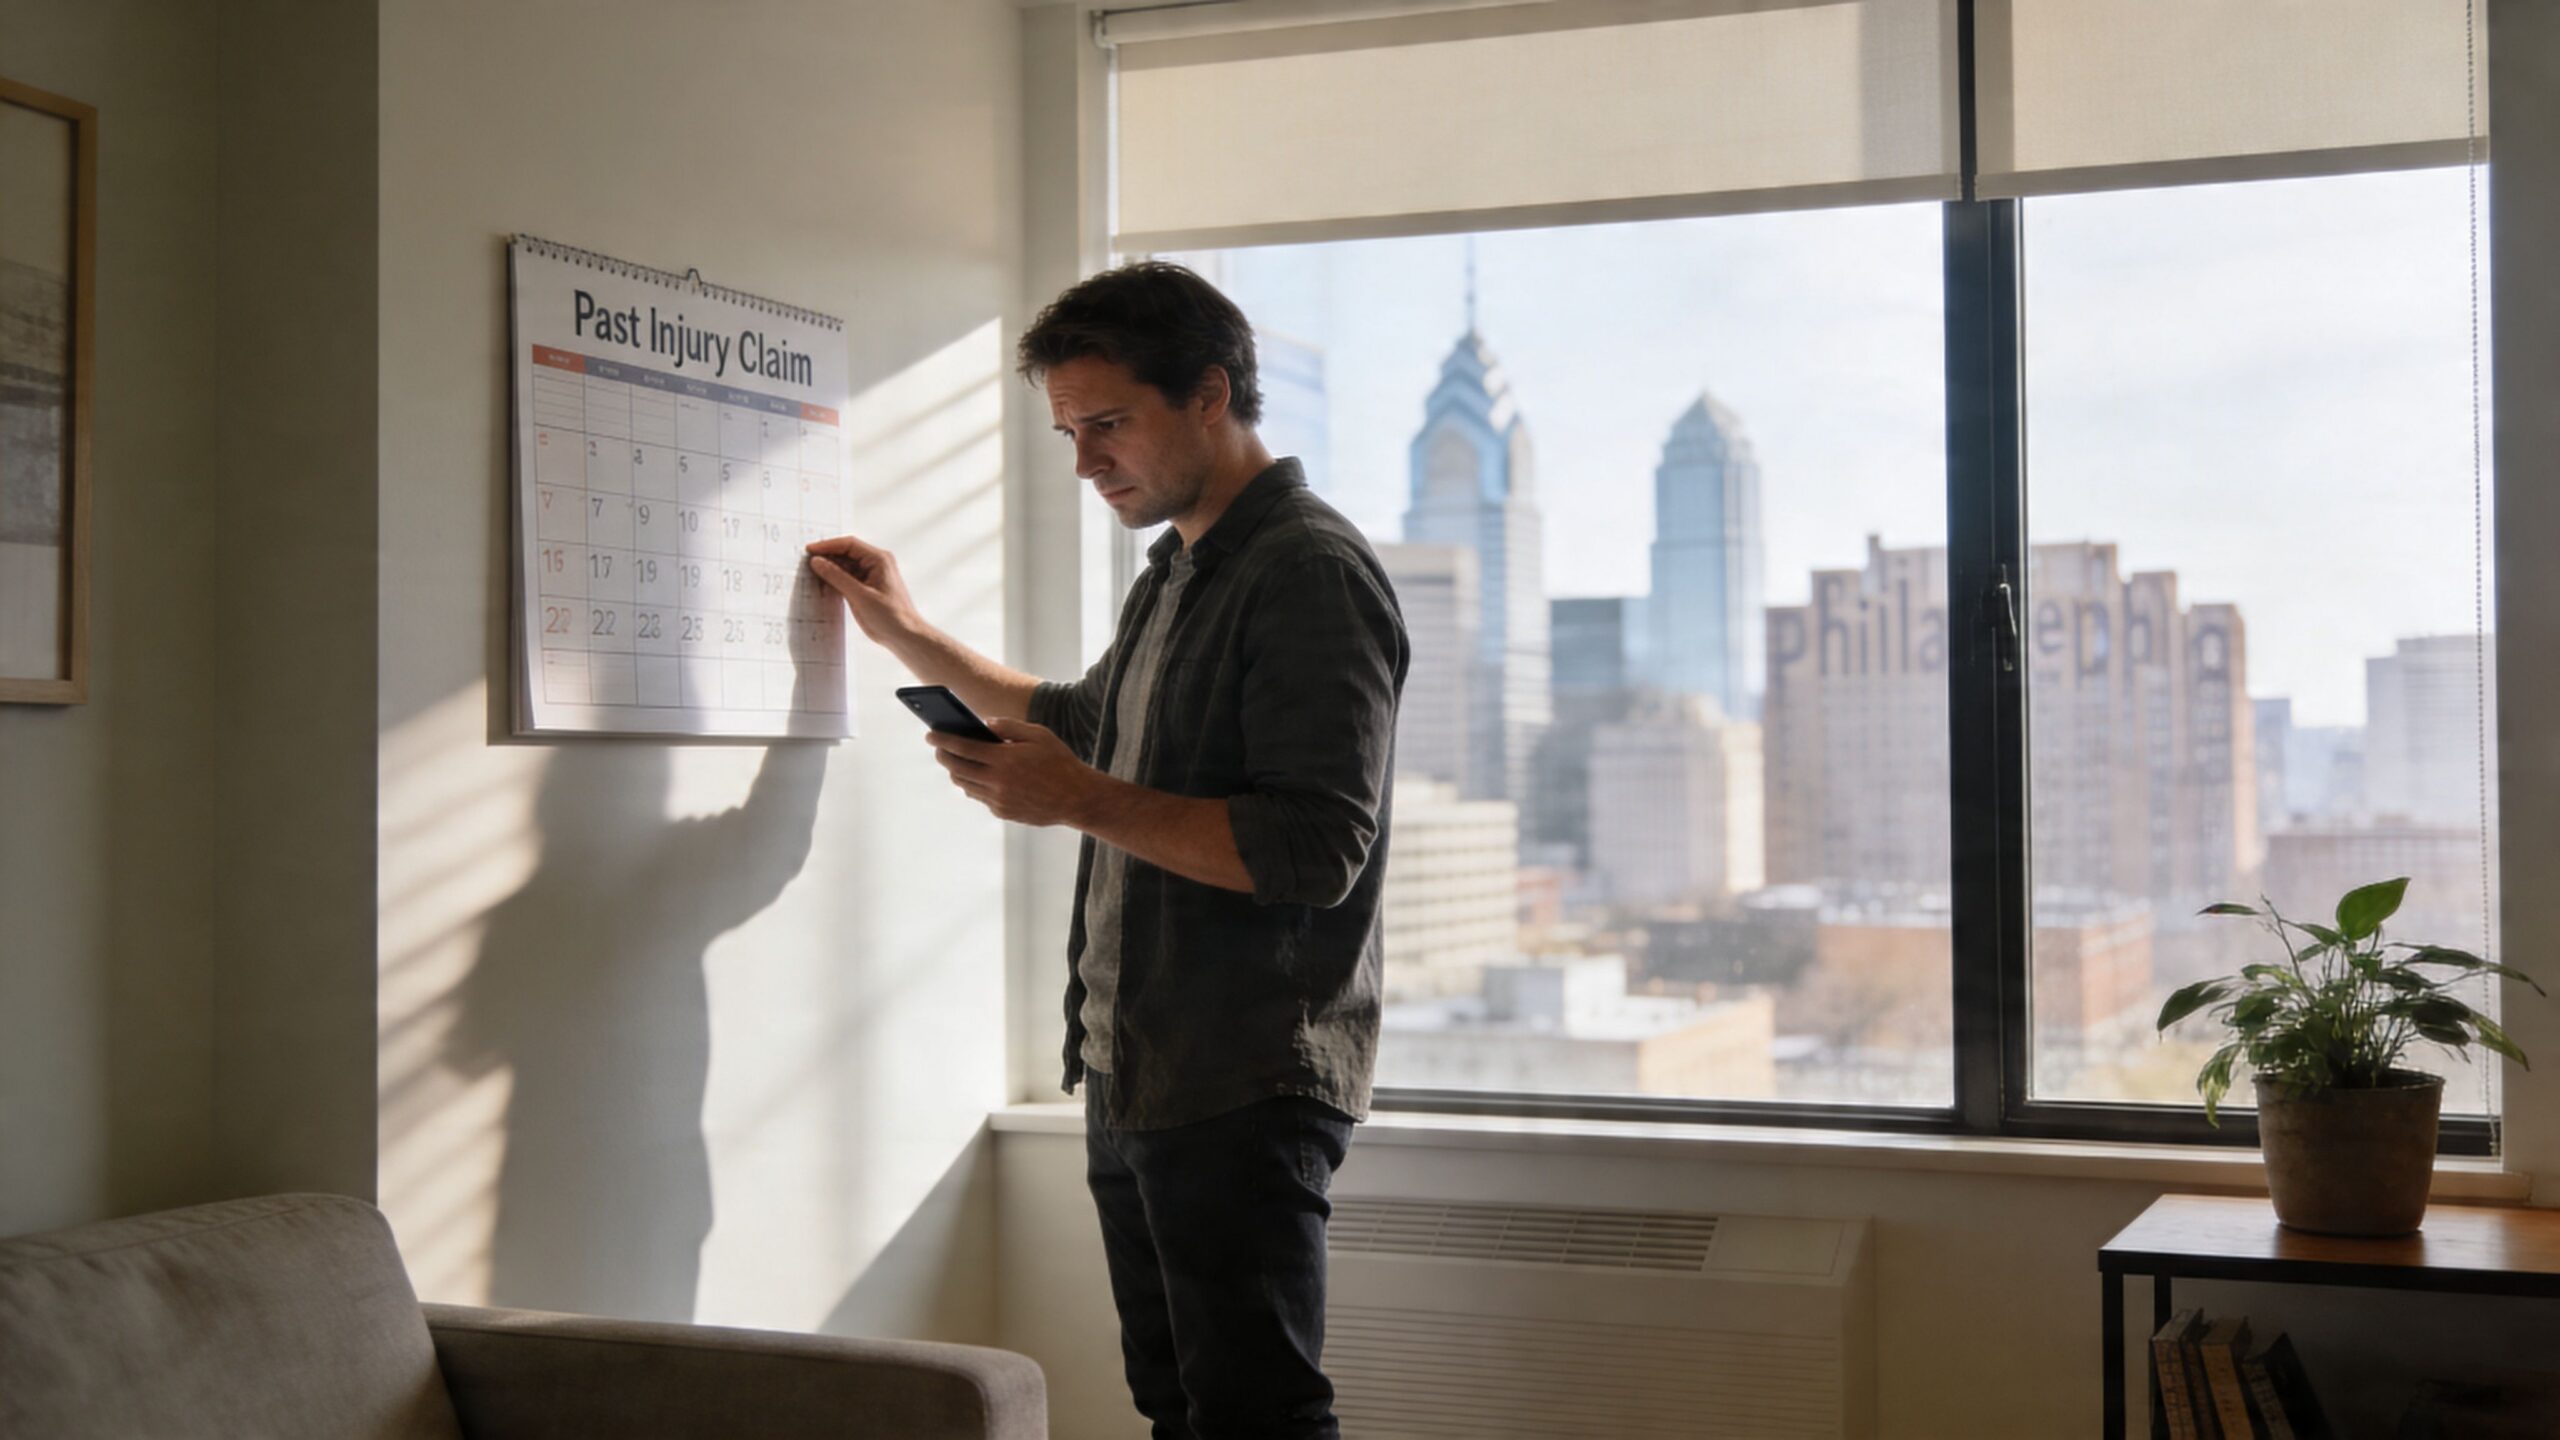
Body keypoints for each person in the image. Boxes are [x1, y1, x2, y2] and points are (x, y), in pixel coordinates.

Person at [806, 261, 1406, 1440]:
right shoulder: (1180, 568)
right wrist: (907, 632)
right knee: (1177, 1408)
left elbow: (1312, 847)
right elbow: (1088, 722)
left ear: (1209, 395)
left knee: (1254, 1419)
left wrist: (1075, 801)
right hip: (1138, 1072)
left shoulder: (1308, 575)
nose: (1085, 461)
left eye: (1108, 424)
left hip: (1242, 1078)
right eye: (1068, 431)